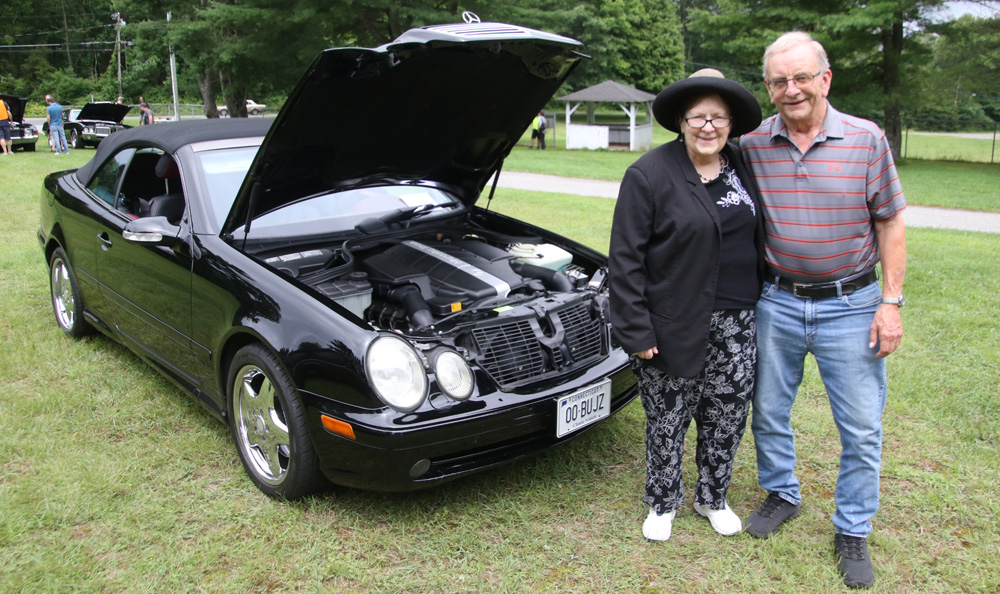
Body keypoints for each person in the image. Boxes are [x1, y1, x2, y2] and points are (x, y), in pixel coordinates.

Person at [739, 31, 907, 589]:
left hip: (852, 304)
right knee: (768, 409)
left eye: (801, 77)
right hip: (778, 302)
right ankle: (782, 493)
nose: (792, 89)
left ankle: (852, 527)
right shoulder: (755, 143)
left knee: (860, 428)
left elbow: (890, 222)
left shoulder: (866, 138)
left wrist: (890, 302)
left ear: (825, 79)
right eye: (779, 81)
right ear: (769, 88)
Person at [609, 69, 765, 542]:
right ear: (681, 121)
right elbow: (625, 258)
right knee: (668, 415)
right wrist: (636, 331)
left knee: (727, 414)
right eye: (698, 116)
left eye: (718, 117)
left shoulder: (741, 164)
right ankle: (662, 501)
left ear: (731, 123)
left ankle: (713, 497)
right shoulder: (649, 174)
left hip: (737, 321)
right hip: (674, 321)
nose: (708, 126)